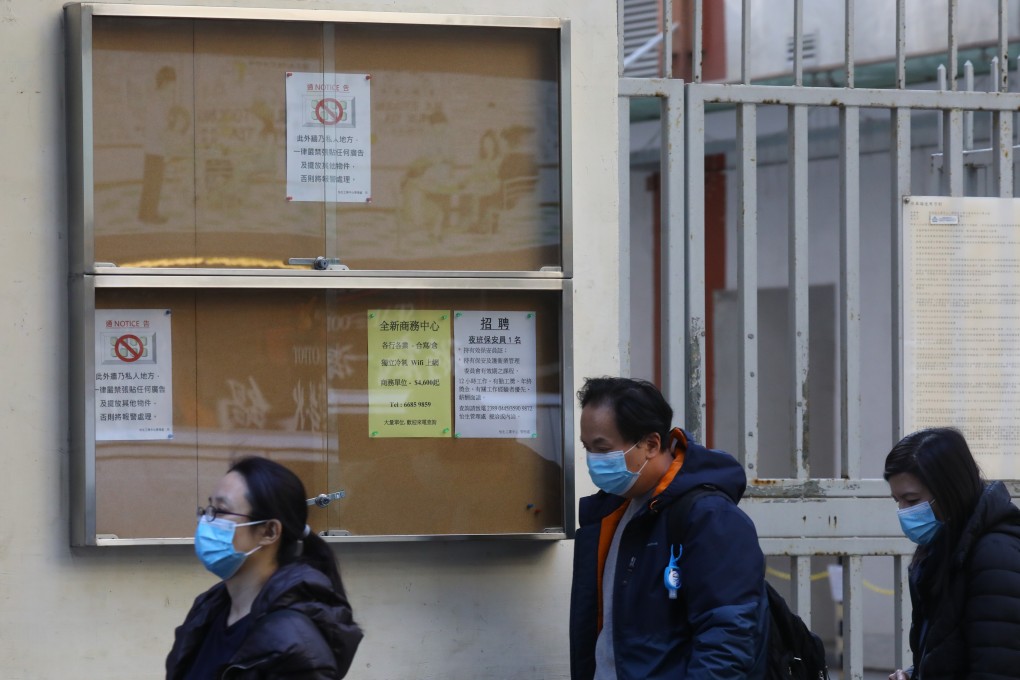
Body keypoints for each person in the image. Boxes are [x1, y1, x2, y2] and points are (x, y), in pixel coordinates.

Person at [569, 376, 769, 680]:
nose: (593, 461)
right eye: (587, 448)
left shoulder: (710, 517)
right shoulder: (614, 509)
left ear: (651, 444)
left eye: (602, 448)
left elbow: (728, 637)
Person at [166, 456, 362, 679]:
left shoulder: (293, 642)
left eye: (220, 511)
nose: (206, 521)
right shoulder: (209, 609)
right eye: (208, 509)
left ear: (269, 532)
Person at [885, 427, 1020, 680]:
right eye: (897, 501)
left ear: (950, 491)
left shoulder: (994, 557)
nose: (903, 512)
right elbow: (951, 652)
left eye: (912, 500)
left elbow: (999, 668)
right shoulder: (945, 549)